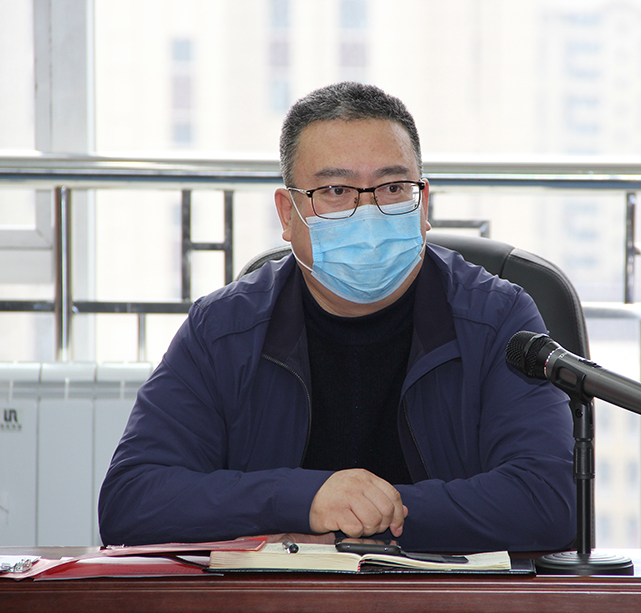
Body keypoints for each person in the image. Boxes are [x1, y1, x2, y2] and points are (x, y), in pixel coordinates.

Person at [98, 82, 575, 552]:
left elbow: (546, 501)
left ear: (423, 203)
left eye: (393, 187)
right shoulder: (223, 329)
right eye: (335, 190)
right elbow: (131, 500)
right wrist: (303, 499)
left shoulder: (498, 319)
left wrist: (366, 518)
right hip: (278, 594)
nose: (368, 212)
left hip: (444, 592)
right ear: (288, 214)